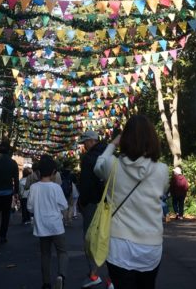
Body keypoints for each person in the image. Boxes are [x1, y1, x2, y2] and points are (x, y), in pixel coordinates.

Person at [94, 115, 169, 289]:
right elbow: (162, 193)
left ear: (124, 140)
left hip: (119, 245)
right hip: (151, 245)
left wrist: (112, 144)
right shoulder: (162, 170)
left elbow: (98, 166)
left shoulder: (111, 166)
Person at [28, 155, 69, 289]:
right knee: (62, 252)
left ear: (38, 172)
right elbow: (64, 206)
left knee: (45, 254)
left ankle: (46, 283)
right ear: (53, 172)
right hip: (56, 226)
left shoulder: (34, 188)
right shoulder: (56, 188)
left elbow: (29, 207)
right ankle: (61, 276)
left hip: (42, 226)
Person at [77, 130, 111, 288]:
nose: (84, 145)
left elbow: (86, 183)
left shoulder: (89, 158)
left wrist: (82, 202)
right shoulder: (111, 154)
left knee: (90, 238)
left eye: (85, 142)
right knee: (108, 238)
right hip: (110, 203)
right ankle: (112, 278)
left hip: (92, 203)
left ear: (91, 141)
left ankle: (94, 273)